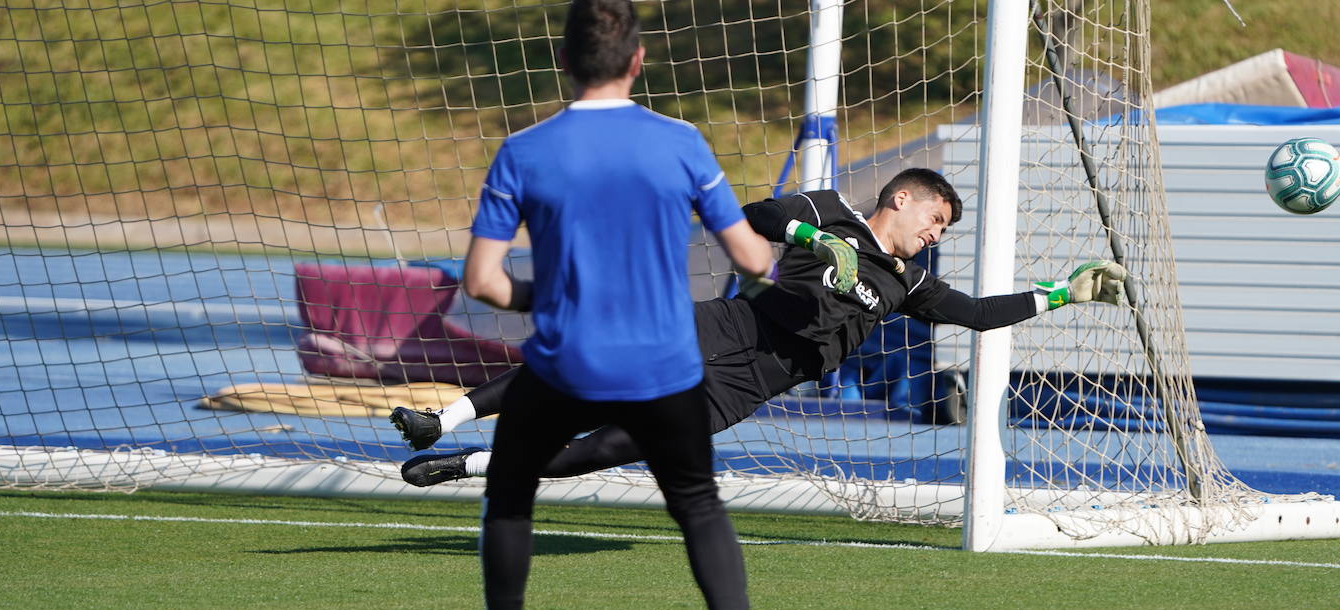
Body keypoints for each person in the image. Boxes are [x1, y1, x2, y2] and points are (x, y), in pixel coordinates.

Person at [447, 0, 847, 610]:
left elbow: (482, 282)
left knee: (510, 500)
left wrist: (555, 297)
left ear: (563, 61)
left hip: (566, 362)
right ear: (637, 62)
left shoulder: (524, 150)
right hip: (663, 365)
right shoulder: (683, 143)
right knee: (698, 504)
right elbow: (754, 259)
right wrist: (806, 254)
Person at [391, 167, 1126, 483]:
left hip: (756, 382)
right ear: (901, 199)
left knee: (614, 446)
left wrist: (1063, 295)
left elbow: (978, 315)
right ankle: (443, 418)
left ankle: (469, 468)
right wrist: (814, 242)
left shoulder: (910, 284)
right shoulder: (829, 210)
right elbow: (754, 218)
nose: (936, 233)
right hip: (730, 328)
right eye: (935, 219)